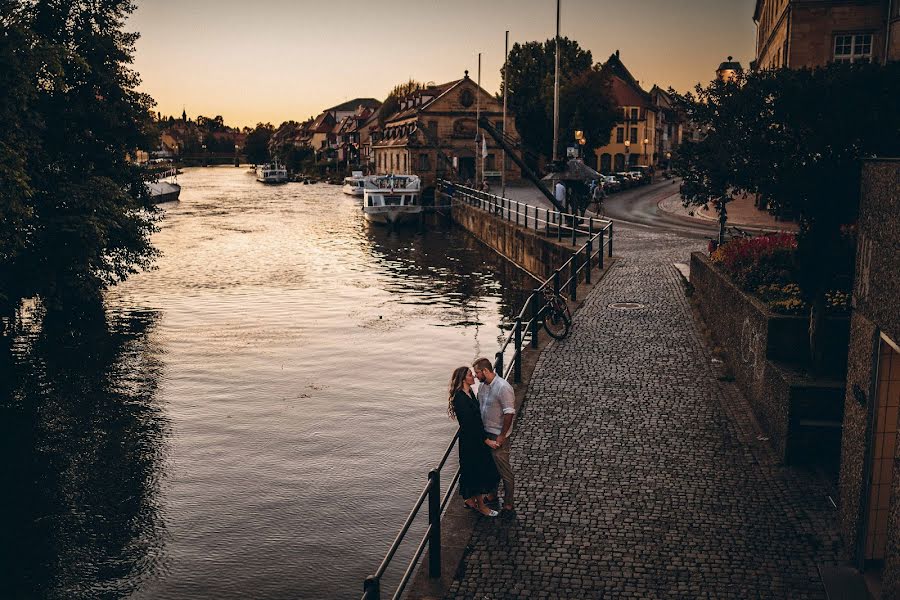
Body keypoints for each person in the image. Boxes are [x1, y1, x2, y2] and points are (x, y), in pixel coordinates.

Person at [448, 366, 500, 517]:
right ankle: (481, 506)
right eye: (470, 375)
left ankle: (469, 499)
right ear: (463, 379)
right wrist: (486, 440)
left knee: (472, 470)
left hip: (474, 438)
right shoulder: (460, 398)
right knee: (476, 471)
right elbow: (470, 424)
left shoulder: (469, 392)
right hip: (471, 441)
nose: (474, 377)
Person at [472, 357, 516, 512]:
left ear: (485, 371)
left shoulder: (503, 387)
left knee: (504, 468)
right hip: (486, 433)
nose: (476, 376)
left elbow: (509, 413)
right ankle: (492, 494)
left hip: (497, 434)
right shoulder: (483, 386)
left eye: (477, 373)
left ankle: (509, 502)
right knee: (490, 467)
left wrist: (502, 435)